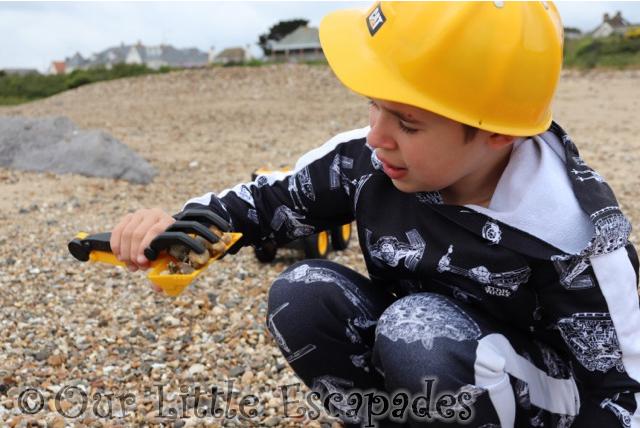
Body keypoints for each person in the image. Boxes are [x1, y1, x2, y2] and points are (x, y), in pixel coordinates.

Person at [110, 2, 640, 427]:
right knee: (302, 293)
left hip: (548, 398)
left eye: (407, 123)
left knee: (416, 329)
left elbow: (625, 391)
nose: (376, 135)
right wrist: (175, 231)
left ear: (498, 133)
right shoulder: (371, 160)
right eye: (373, 103)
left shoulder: (573, 233)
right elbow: (267, 204)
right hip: (430, 364)